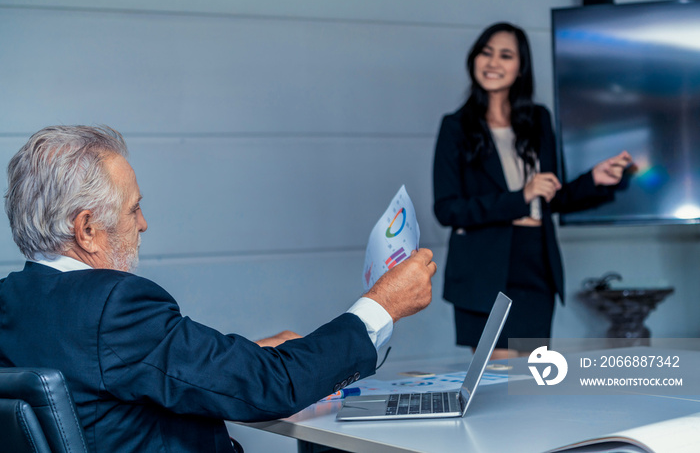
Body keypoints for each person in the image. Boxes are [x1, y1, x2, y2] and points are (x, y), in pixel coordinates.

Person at [0, 125, 437, 452]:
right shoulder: (111, 303)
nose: (143, 223)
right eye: (134, 209)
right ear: (88, 229)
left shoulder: (14, 301)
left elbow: (112, 371)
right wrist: (382, 305)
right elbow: (272, 387)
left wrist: (246, 352)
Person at [432, 22, 632, 358]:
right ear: (473, 59)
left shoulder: (538, 120)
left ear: (520, 67)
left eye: (506, 55)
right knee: (501, 384)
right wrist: (520, 198)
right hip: (484, 270)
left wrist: (593, 180)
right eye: (486, 52)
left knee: (531, 386)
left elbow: (552, 198)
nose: (493, 62)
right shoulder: (456, 127)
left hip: (535, 266)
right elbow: (448, 209)